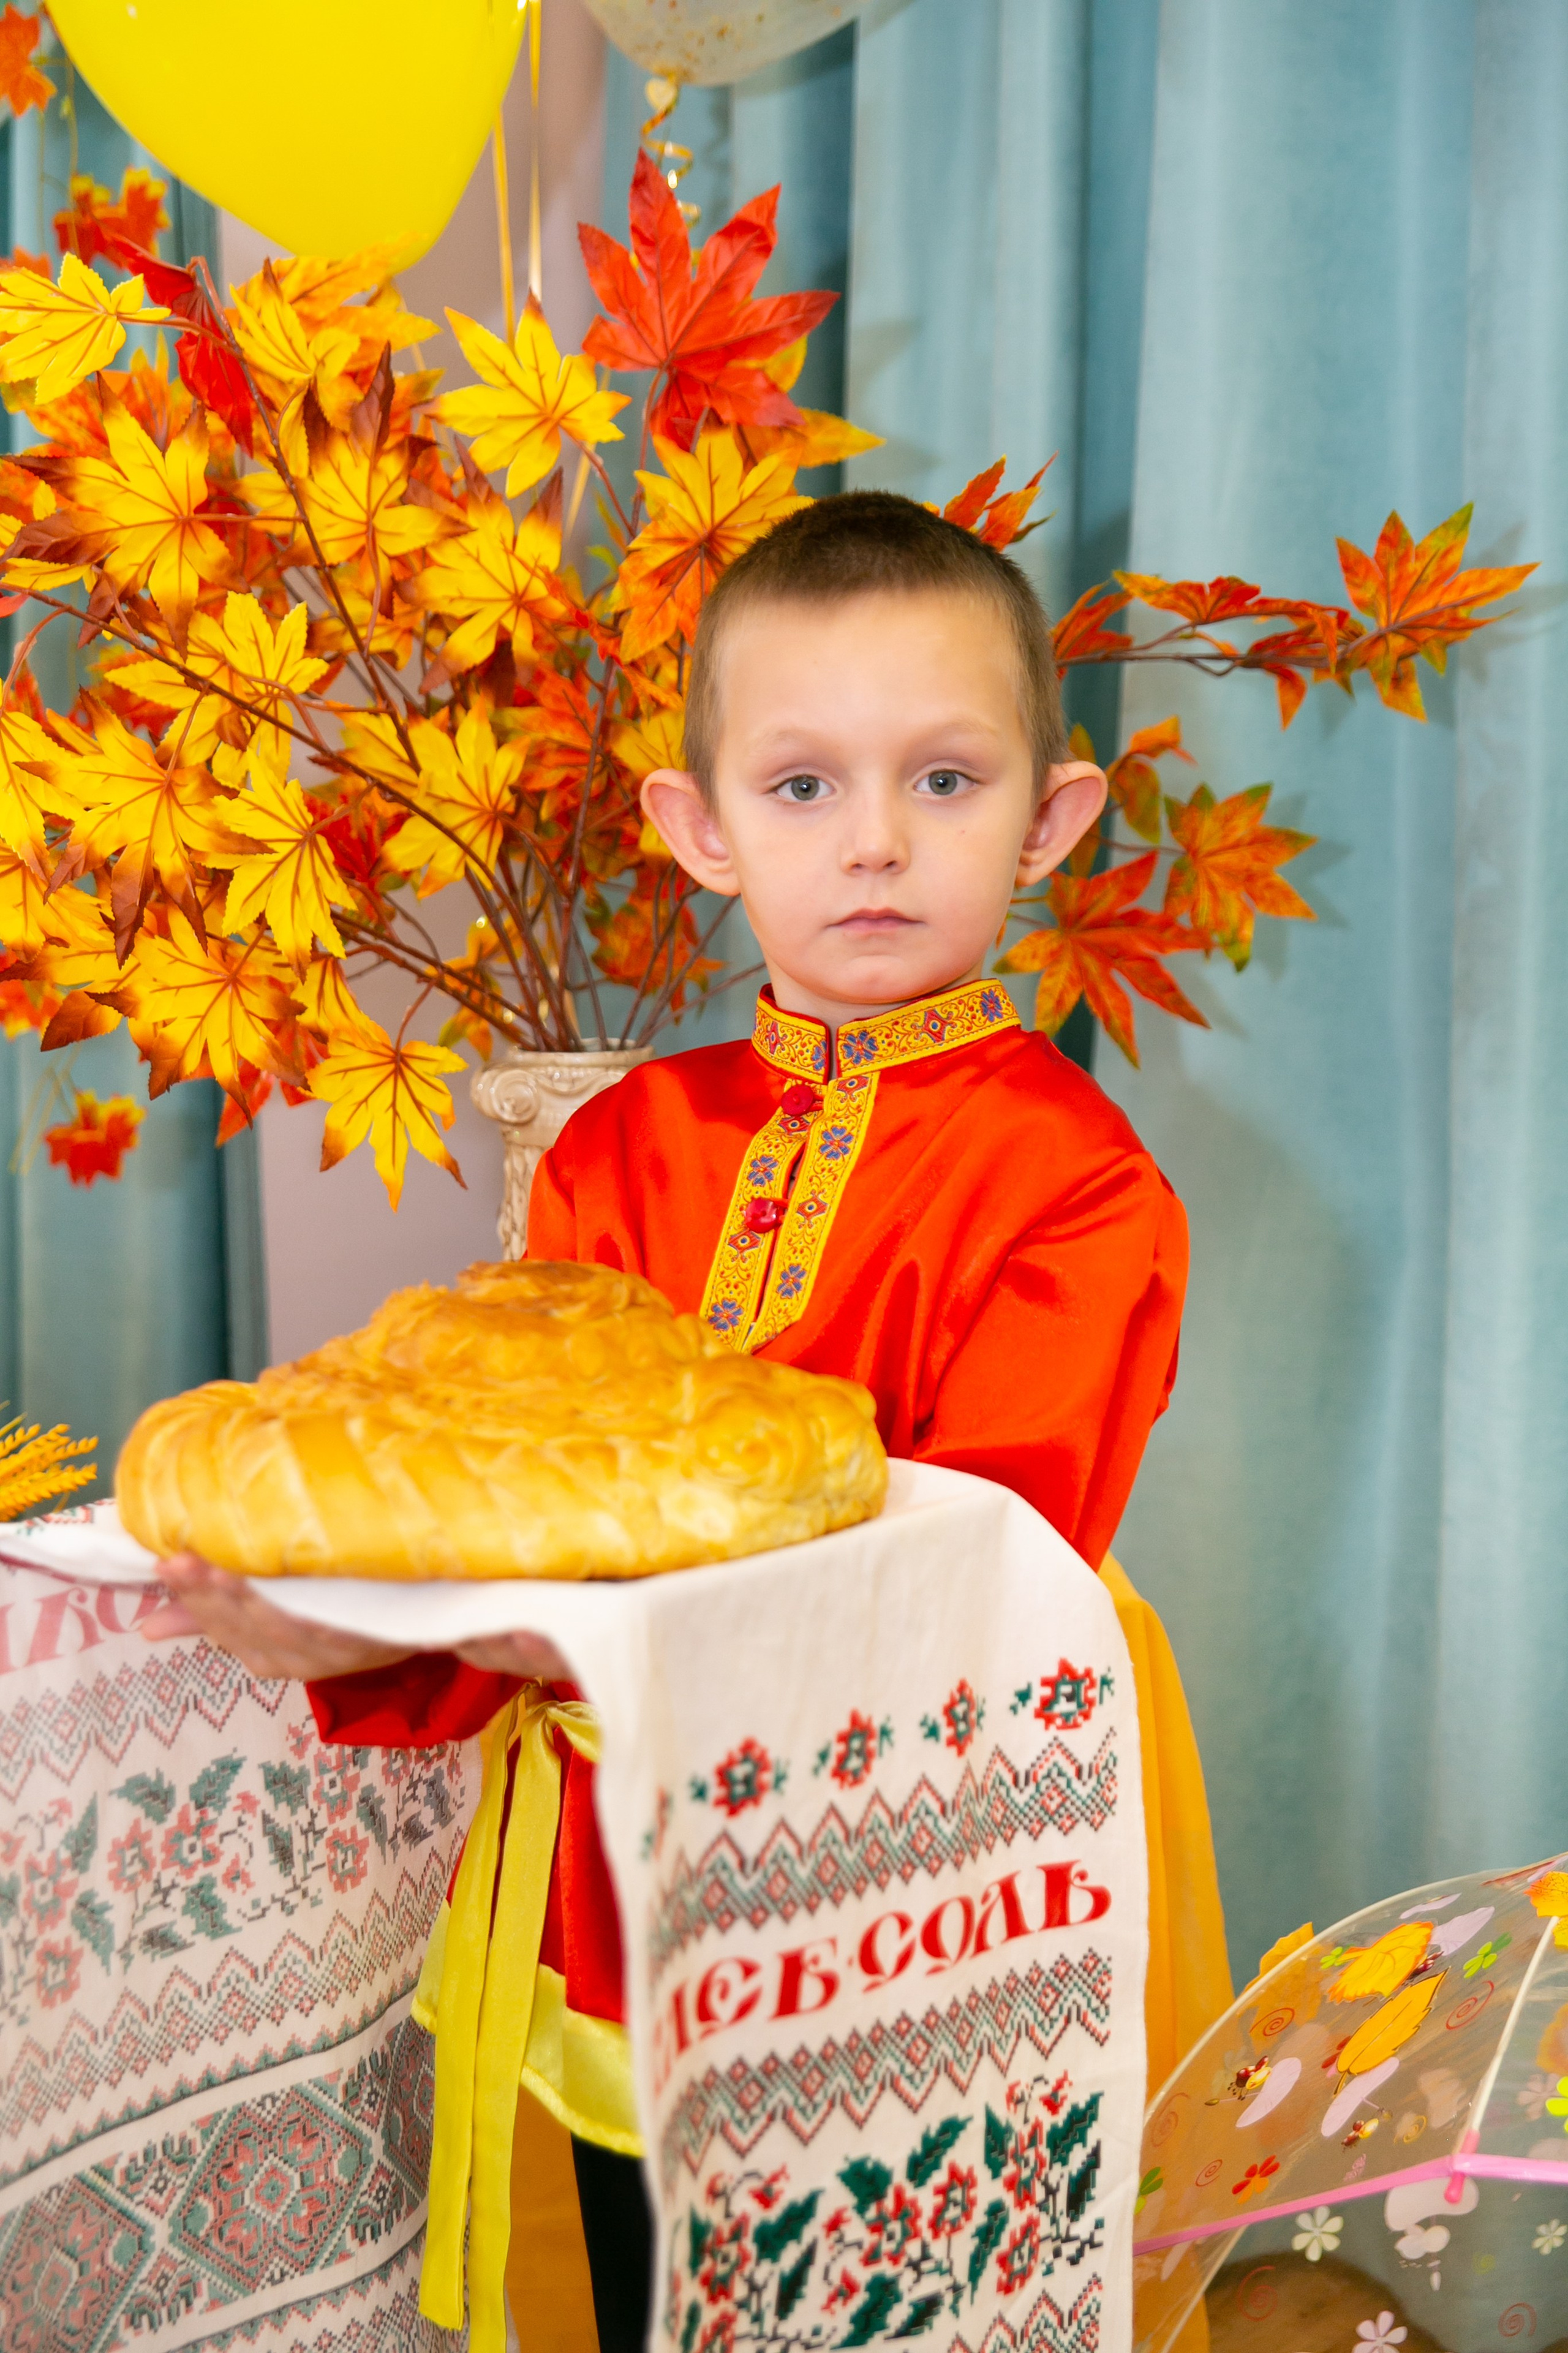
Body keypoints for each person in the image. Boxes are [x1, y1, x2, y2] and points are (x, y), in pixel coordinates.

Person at [145, 492, 1230, 2352]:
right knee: (647, 2268)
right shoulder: (621, 1146)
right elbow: (510, 1502)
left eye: (946, 781)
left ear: (1054, 817)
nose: (876, 840)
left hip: (916, 1853)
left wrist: (519, 1608)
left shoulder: (1079, 1184)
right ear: (699, 828)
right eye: (803, 786)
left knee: (885, 2267)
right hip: (605, 1861)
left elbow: (968, 1556)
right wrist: (364, 1629)